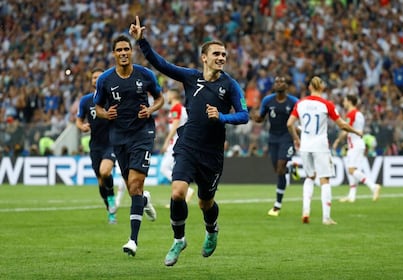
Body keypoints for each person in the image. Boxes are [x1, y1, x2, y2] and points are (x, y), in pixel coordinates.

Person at [129, 15, 249, 266]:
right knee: (177, 193)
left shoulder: (231, 85)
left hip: (212, 153)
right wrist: (142, 42)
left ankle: (212, 229)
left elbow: (245, 115)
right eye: (216, 54)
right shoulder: (191, 77)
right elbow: (161, 64)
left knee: (206, 202)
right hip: (187, 145)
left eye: (224, 55)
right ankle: (179, 239)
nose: (221, 58)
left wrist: (222, 116)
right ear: (204, 57)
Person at [93, 34, 164, 257]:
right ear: (114, 53)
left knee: (134, 185)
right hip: (118, 136)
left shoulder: (146, 75)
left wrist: (150, 110)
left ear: (131, 51)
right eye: (119, 50)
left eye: (126, 49)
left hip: (143, 133)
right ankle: (144, 200)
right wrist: (107, 113)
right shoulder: (105, 80)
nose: (123, 53)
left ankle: (133, 240)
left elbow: (160, 99)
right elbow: (97, 108)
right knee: (134, 189)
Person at [287, 76, 363, 225]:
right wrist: (356, 131)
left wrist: (296, 139)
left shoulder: (300, 104)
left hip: (305, 146)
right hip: (320, 146)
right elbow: (342, 125)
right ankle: (326, 217)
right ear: (322, 88)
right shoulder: (326, 104)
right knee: (325, 180)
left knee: (309, 177)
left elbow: (289, 124)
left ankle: (306, 211)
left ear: (309, 87)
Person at [76, 68, 126, 224]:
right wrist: (81, 126)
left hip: (111, 143)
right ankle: (110, 211)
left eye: (99, 77)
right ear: (91, 81)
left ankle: (111, 200)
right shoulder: (85, 101)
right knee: (101, 182)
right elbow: (78, 119)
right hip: (95, 146)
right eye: (93, 77)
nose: (96, 79)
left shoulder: (112, 98)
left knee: (105, 172)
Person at [250, 75, 299, 217]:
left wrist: (298, 134)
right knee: (278, 170)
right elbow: (260, 119)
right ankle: (291, 167)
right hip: (273, 138)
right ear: (274, 86)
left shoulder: (293, 101)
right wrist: (253, 114)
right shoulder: (267, 100)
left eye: (281, 81)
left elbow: (300, 118)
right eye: (276, 81)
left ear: (286, 85)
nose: (278, 83)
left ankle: (277, 205)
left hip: (287, 137)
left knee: (280, 166)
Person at [332, 94, 381, 203]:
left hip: (354, 144)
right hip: (358, 144)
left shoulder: (351, 114)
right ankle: (351, 196)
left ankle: (373, 186)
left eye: (345, 101)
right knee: (353, 171)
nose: (343, 103)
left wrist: (337, 141)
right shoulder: (360, 114)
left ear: (349, 101)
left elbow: (346, 129)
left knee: (352, 170)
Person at [159, 88, 194, 206]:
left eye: (168, 94)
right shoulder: (182, 108)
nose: (166, 96)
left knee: (164, 169)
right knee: (175, 170)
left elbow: (175, 126)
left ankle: (186, 190)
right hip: (182, 142)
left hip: (175, 142)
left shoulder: (176, 108)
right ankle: (178, 195)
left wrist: (166, 142)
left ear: (173, 96)